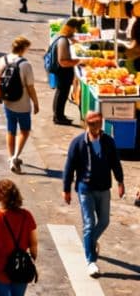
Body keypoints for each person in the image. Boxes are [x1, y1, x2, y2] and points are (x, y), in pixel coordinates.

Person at [63, 110, 125, 277]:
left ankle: (89, 241)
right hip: (85, 189)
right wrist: (66, 189)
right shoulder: (78, 143)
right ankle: (91, 260)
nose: (94, 126)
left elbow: (115, 163)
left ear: (101, 122)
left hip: (104, 188)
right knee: (89, 224)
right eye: (91, 123)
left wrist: (120, 182)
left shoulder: (108, 142)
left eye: (97, 122)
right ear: (86, 124)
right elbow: (69, 167)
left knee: (104, 221)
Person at [0, 179, 38, 295]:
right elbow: (33, 243)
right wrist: (32, 259)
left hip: (0, 269)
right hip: (21, 269)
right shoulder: (27, 216)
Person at [0, 35, 39, 174]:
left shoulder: (3, 60)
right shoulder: (25, 65)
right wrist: (36, 103)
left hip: (8, 102)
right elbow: (30, 87)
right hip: (22, 103)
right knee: (25, 131)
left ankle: (10, 155)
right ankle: (15, 157)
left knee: (10, 130)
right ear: (23, 48)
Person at [49, 17, 83, 125]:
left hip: (62, 71)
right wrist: (78, 62)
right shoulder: (63, 41)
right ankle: (58, 117)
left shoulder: (62, 37)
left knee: (61, 93)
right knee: (62, 93)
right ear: (71, 28)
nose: (75, 31)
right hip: (62, 71)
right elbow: (63, 61)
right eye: (75, 29)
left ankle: (58, 115)